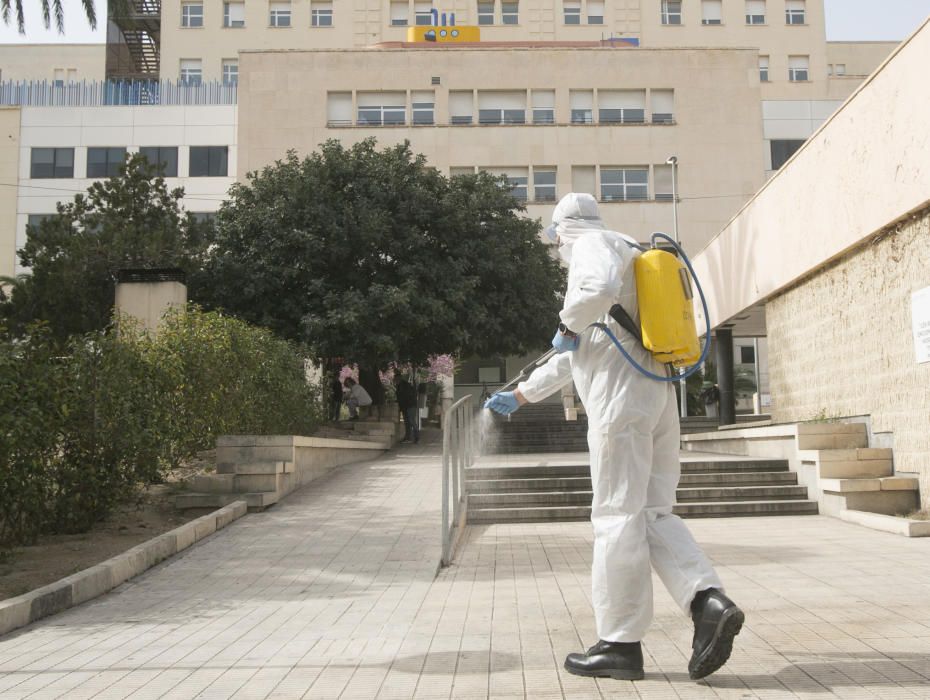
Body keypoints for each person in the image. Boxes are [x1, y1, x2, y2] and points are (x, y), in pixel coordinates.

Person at [485, 193, 743, 682]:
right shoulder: (630, 249)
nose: (556, 245)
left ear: (561, 231)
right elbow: (581, 349)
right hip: (657, 396)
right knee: (650, 512)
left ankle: (619, 644)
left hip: (620, 403)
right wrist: (521, 394)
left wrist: (564, 322)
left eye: (554, 238)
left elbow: (591, 302)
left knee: (616, 517)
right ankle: (708, 602)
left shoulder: (592, 245)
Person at [393, 374, 419, 444]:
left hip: (409, 406)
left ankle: (415, 437)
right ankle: (408, 437)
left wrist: (399, 403)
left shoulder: (403, 386)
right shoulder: (402, 385)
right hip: (408, 406)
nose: (394, 381)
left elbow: (403, 397)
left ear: (398, 379)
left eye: (395, 380)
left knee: (411, 421)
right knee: (408, 422)